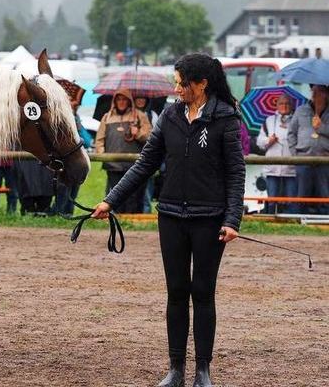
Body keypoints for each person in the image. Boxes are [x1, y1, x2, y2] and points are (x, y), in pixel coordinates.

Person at [92, 53, 245, 387]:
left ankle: (202, 370)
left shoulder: (226, 119)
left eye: (181, 82)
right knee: (176, 291)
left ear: (201, 84)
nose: (176, 88)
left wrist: (232, 219)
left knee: (203, 292)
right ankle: (176, 369)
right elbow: (145, 164)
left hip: (210, 219)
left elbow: (236, 172)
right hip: (171, 217)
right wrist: (110, 200)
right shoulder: (170, 117)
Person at [95, 89, 151, 213]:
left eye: (124, 99)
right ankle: (119, 220)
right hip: (113, 165)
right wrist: (102, 155)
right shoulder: (107, 117)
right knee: (116, 196)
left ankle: (132, 222)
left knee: (134, 197)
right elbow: (99, 139)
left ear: (129, 101)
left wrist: (138, 133)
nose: (121, 102)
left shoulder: (140, 116)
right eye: (119, 99)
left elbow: (150, 138)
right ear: (114, 101)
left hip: (134, 166)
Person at [288, 85, 329, 215]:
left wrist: (321, 127)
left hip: (325, 159)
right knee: (302, 192)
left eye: (319, 92)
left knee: (324, 192)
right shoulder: (301, 110)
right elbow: (291, 133)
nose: (315, 95)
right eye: (313, 92)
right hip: (303, 158)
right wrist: (295, 155)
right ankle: (300, 218)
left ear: (326, 94)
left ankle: (325, 219)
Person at [256, 94, 297, 214]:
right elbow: (259, 142)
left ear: (291, 106)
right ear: (277, 105)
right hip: (272, 168)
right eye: (281, 103)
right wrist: (269, 140)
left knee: (291, 200)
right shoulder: (269, 121)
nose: (284, 106)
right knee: (272, 199)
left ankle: (291, 223)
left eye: (287, 103)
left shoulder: (296, 120)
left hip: (291, 169)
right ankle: (270, 222)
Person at [53, 98, 93, 215]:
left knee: (74, 189)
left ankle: (68, 212)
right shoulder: (58, 119)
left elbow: (87, 141)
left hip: (75, 160)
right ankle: (59, 213)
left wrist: (75, 119)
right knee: (63, 188)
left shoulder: (76, 119)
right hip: (63, 159)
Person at [134, 96, 160, 213]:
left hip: (148, 155)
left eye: (143, 98)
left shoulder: (153, 115)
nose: (140, 100)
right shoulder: (130, 114)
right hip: (131, 155)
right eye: (138, 98)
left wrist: (138, 133)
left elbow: (156, 135)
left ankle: (146, 213)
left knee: (147, 189)